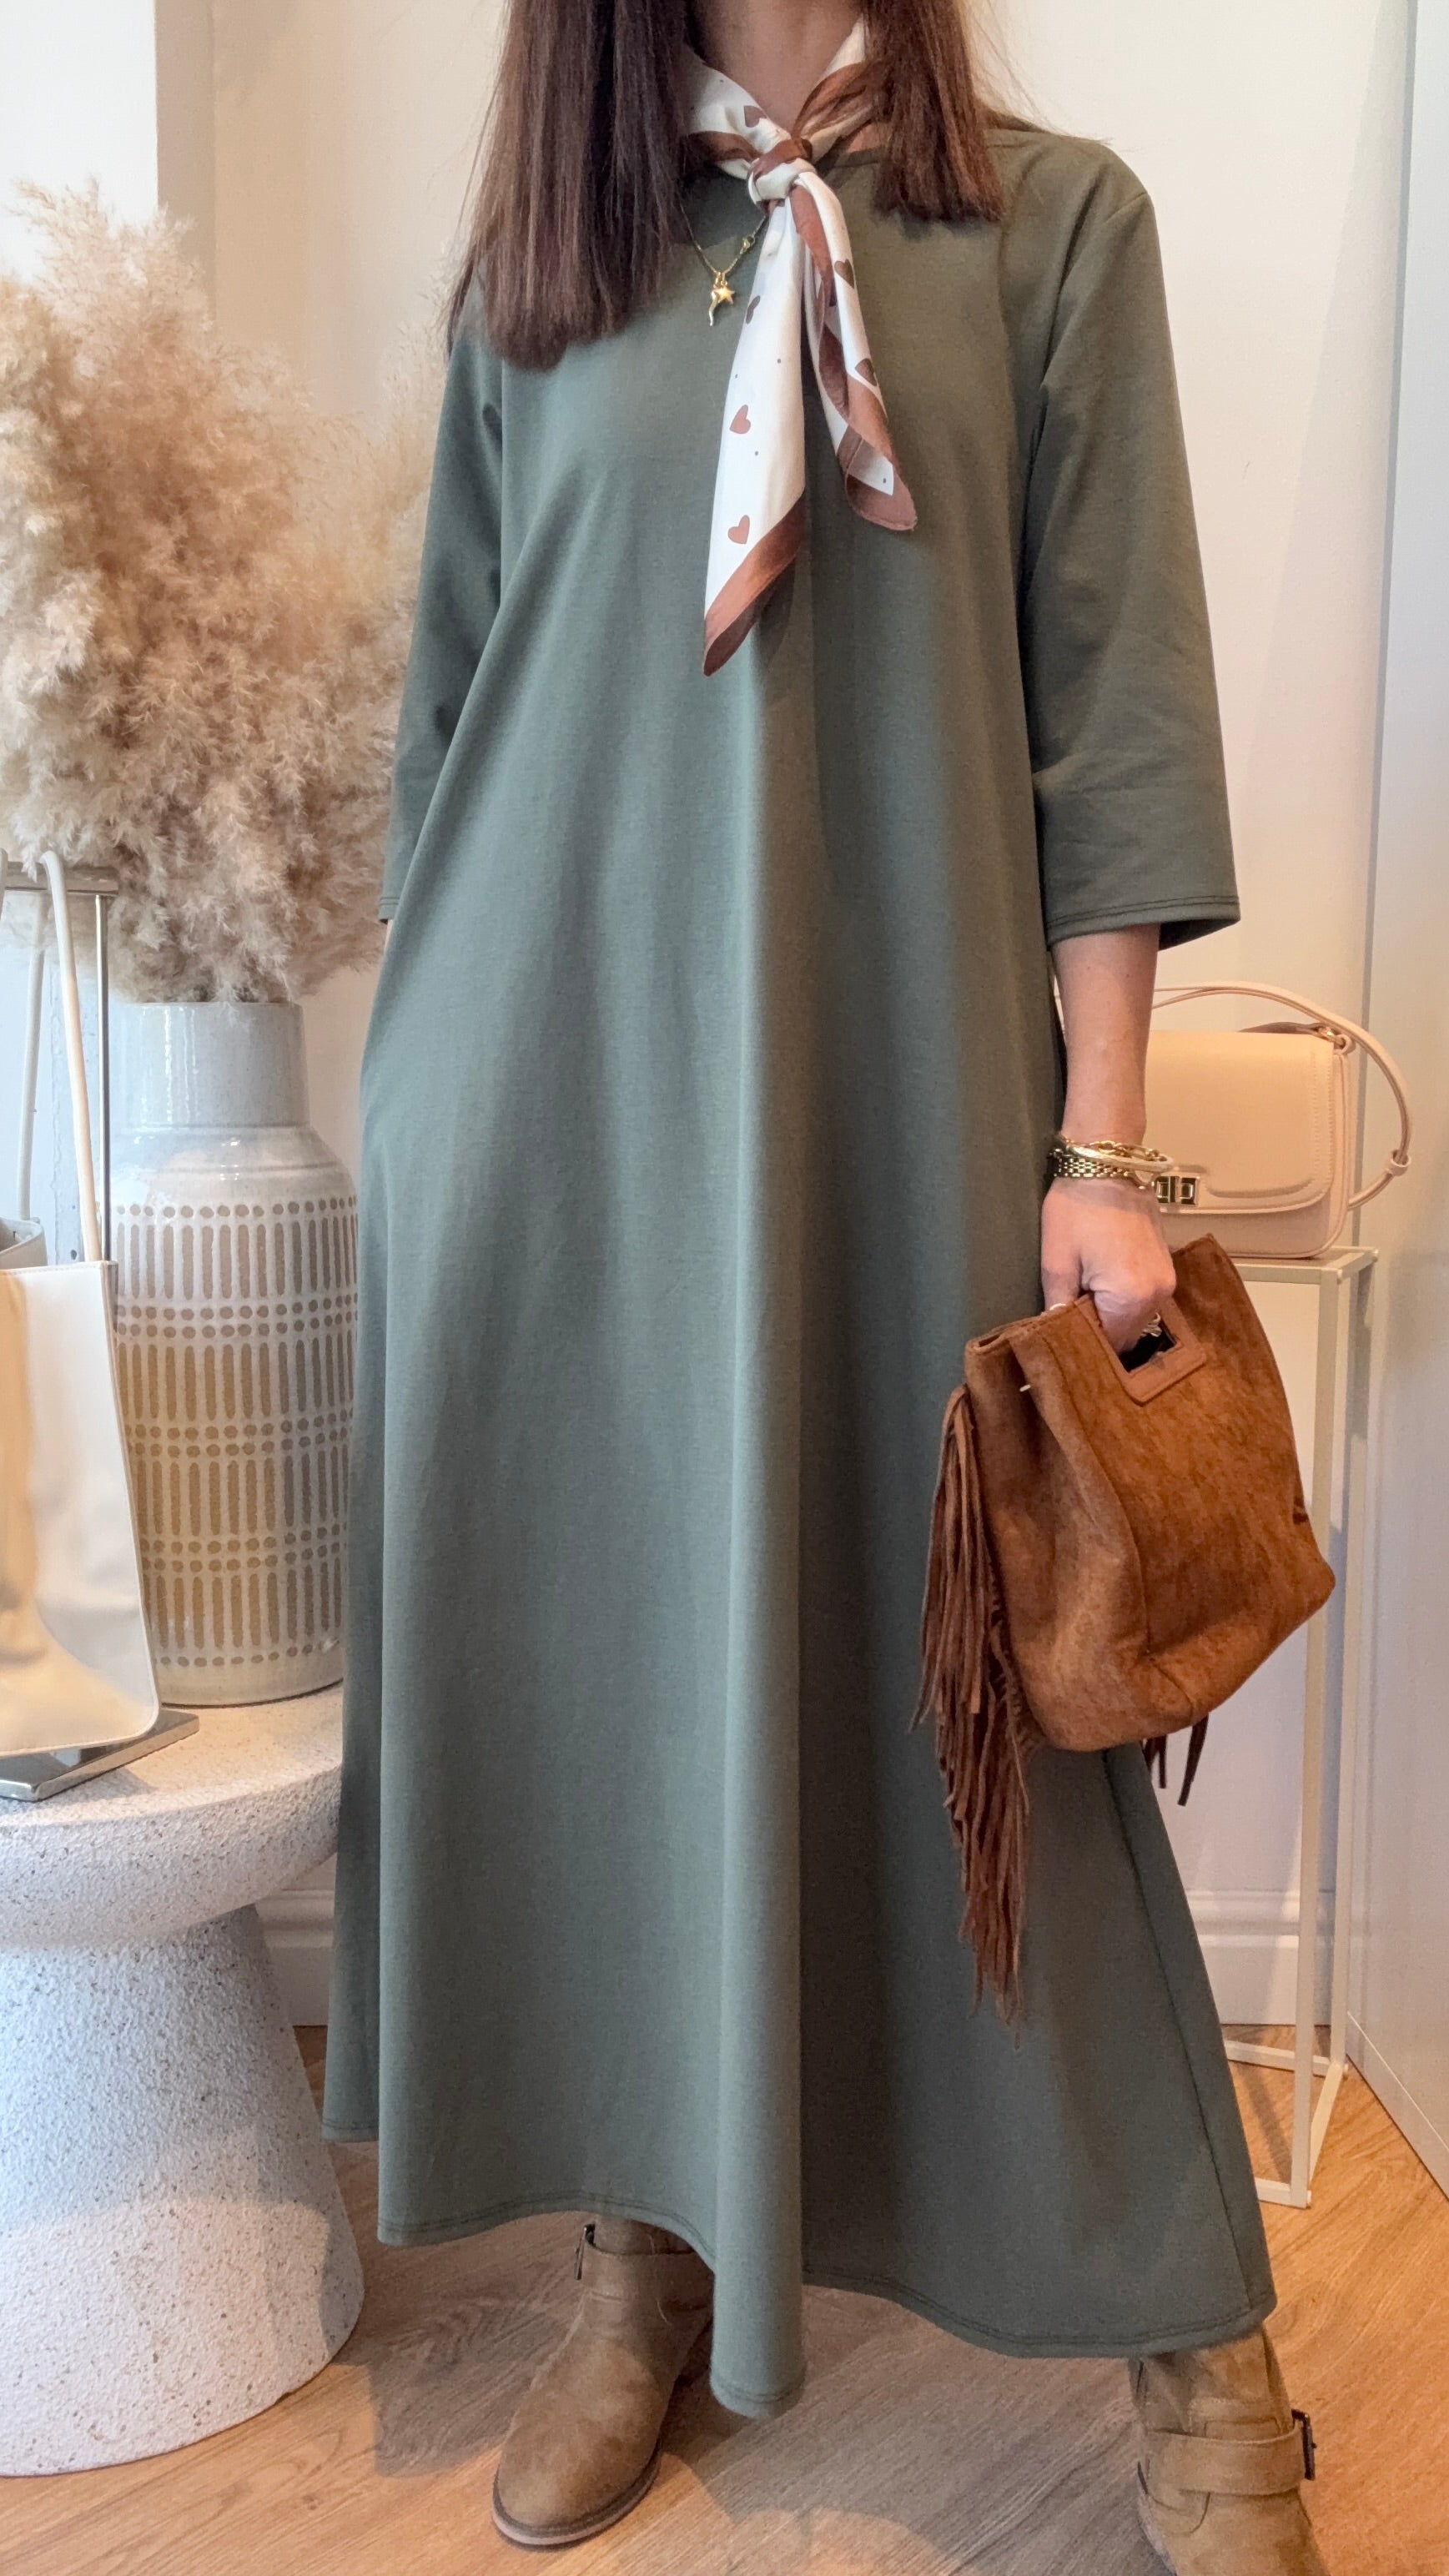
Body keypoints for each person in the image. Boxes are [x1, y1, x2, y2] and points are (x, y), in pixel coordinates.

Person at [325, 3, 1329, 2567]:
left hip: (912, 1101)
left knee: (1008, 1719)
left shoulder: (1047, 233)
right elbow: (452, 734)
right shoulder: (541, 273)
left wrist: (1101, 1143)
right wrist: (425, 1114)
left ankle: (1197, 2351)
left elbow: (1114, 719)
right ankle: (642, 2257)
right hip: (553, 1131)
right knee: (635, 1709)